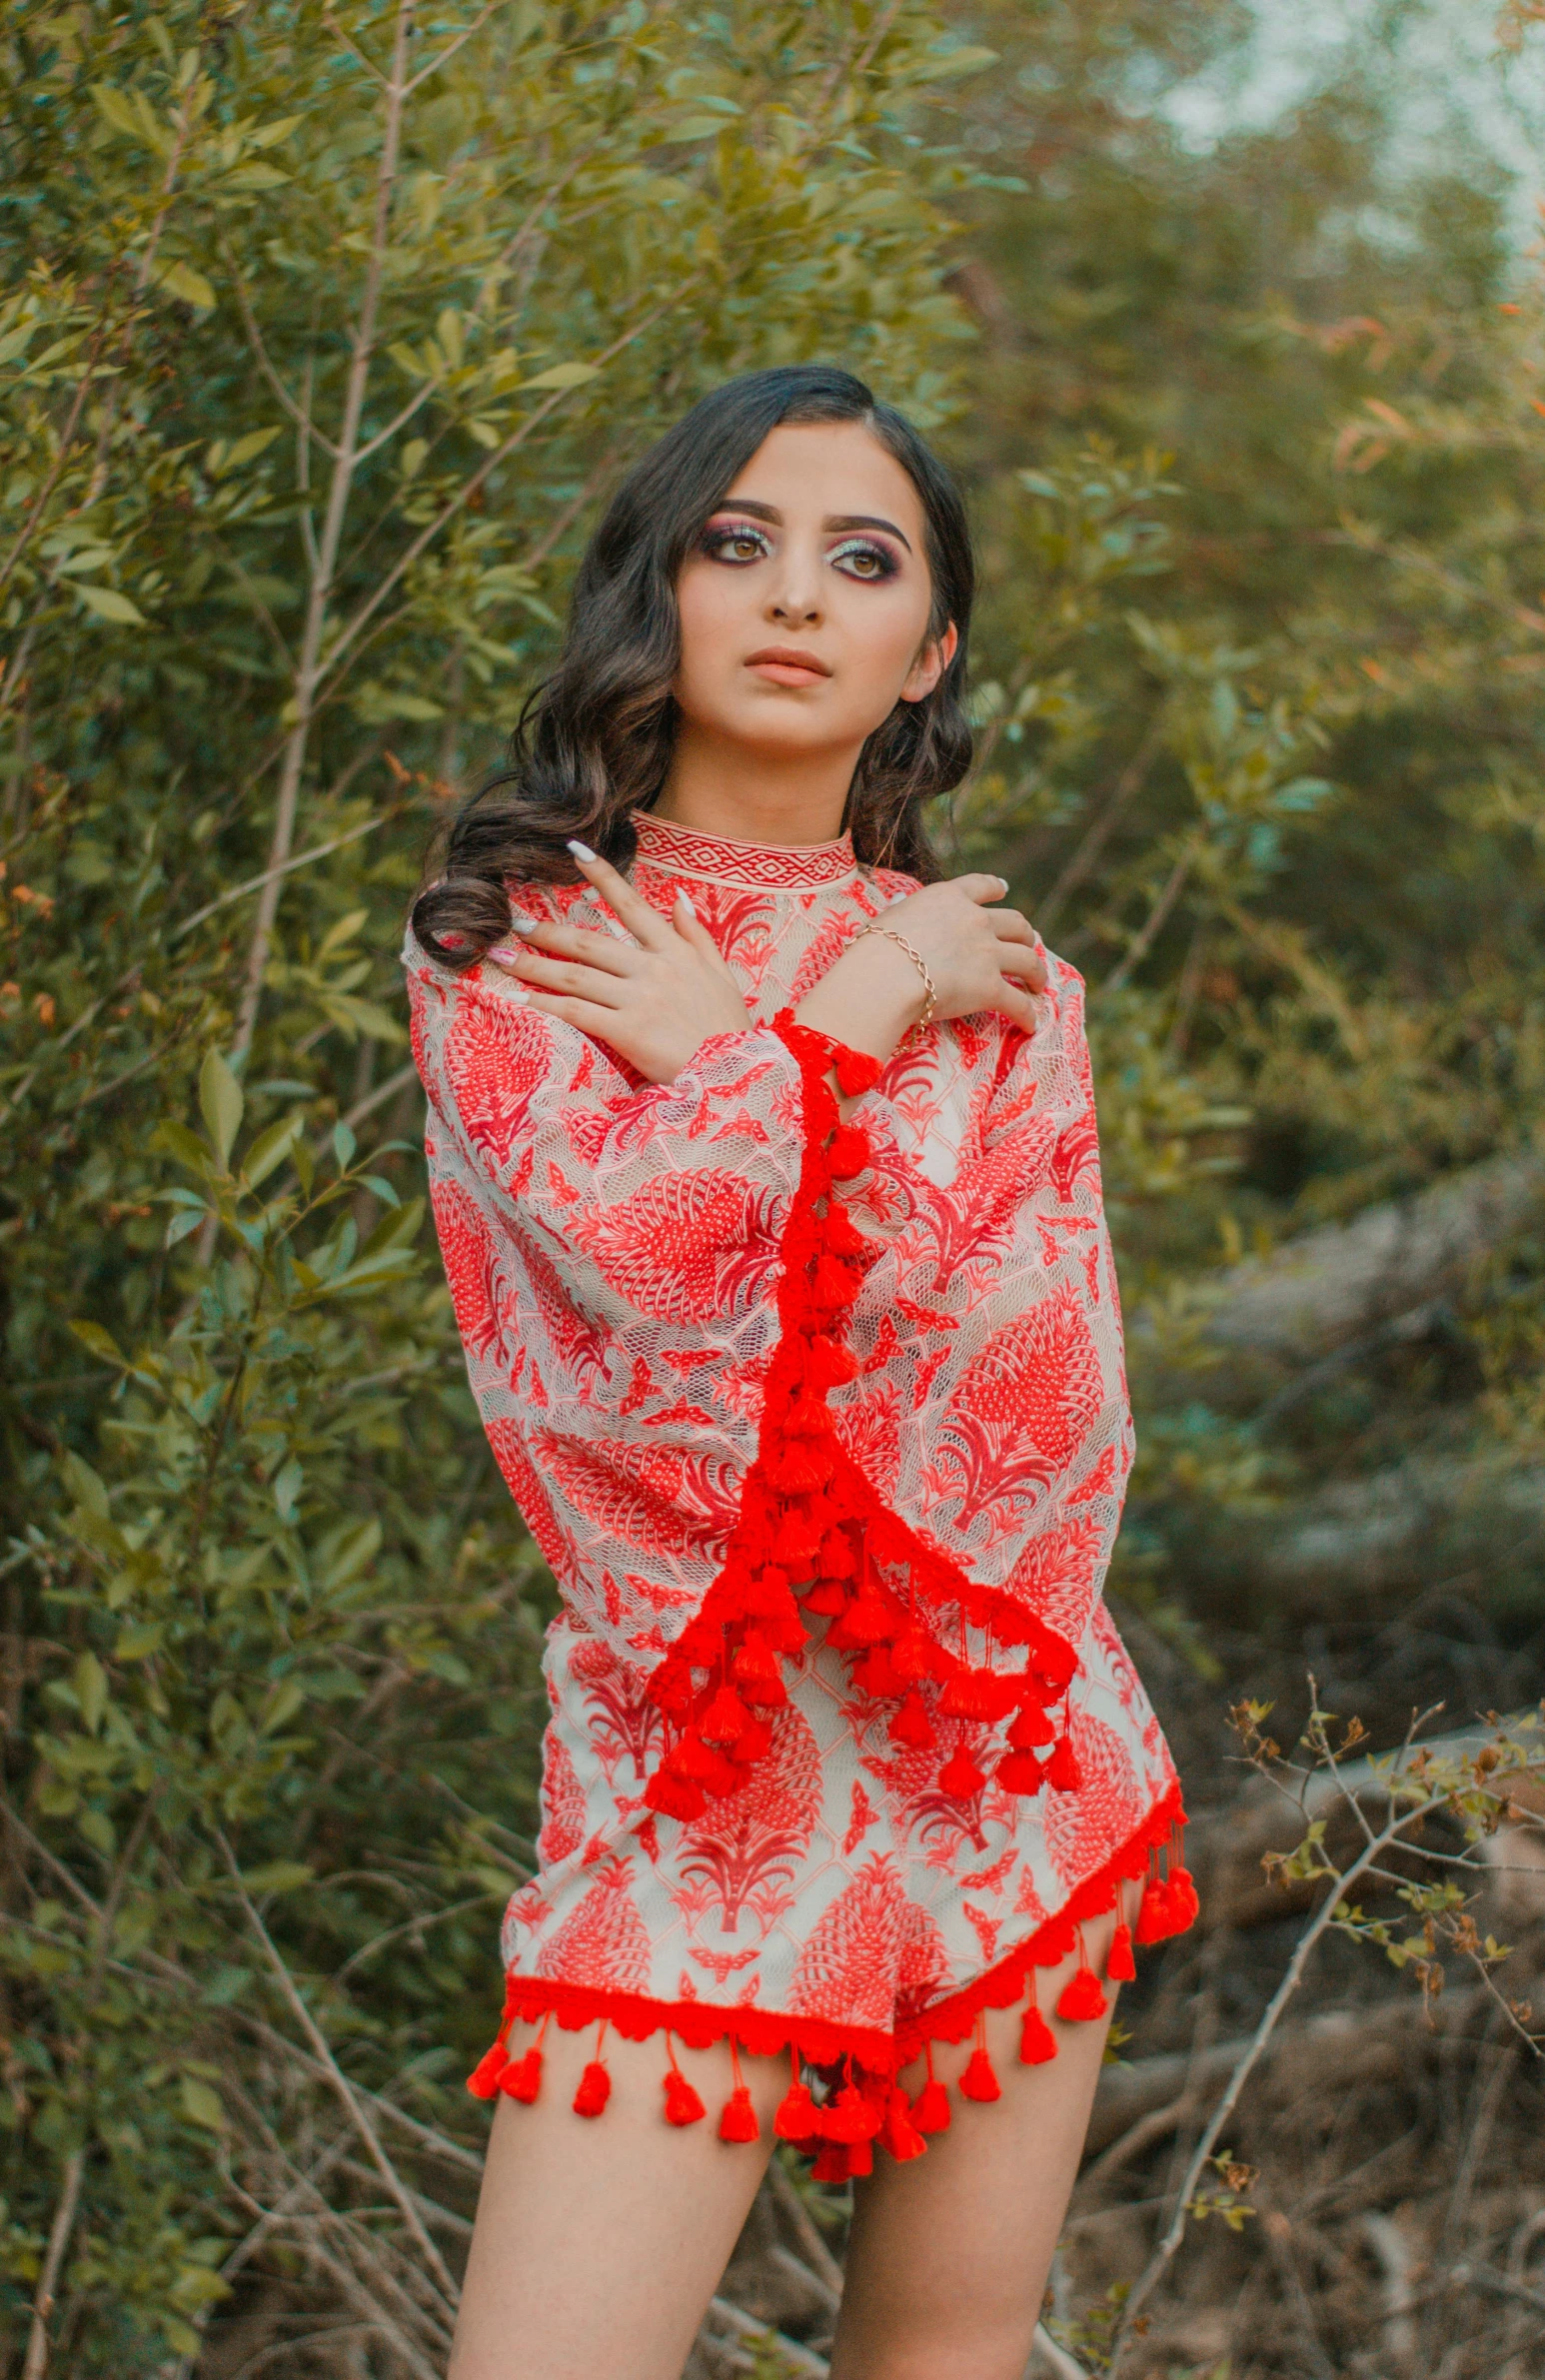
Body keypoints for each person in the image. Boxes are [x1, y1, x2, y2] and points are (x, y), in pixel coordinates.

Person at [404, 365, 1193, 2380]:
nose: (788, 595)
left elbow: (1014, 1396)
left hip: (1001, 1755)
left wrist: (767, 1058)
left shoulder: (1006, 987)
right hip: (695, 1787)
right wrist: (837, 1020)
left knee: (942, 2357)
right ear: (652, 591)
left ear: (922, 652)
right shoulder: (515, 949)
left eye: (860, 560)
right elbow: (641, 1330)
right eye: (733, 541)